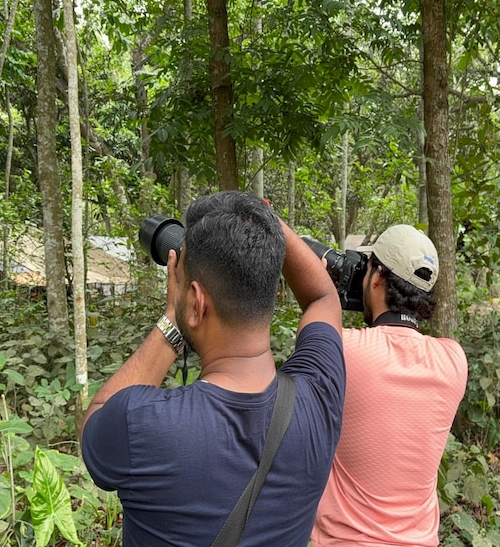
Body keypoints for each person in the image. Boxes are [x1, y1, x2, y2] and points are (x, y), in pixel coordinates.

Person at [80, 191, 345, 546]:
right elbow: (323, 296)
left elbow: (93, 421)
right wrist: (262, 225)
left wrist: (173, 320)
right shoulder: (321, 397)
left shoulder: (139, 422)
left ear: (197, 302)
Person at [311, 224, 469, 547]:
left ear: (378, 277)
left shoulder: (344, 349)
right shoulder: (453, 361)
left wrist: (323, 290)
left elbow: (316, 328)